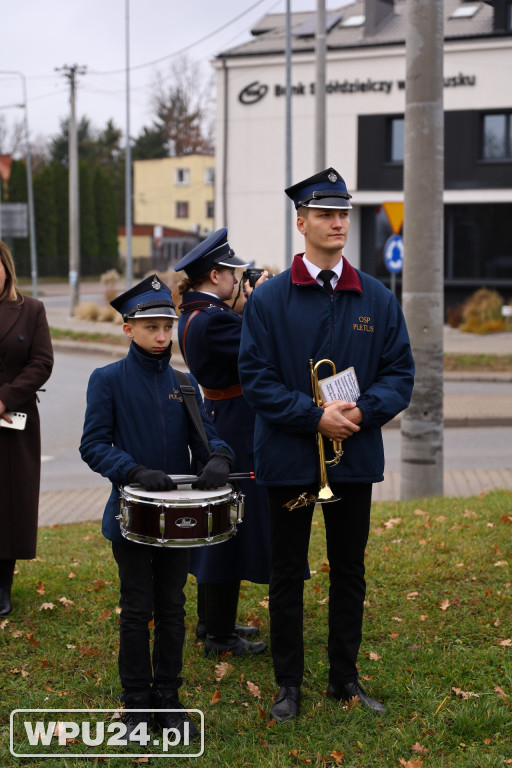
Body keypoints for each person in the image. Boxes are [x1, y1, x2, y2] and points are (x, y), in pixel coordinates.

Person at [238, 167, 415, 722]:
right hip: (290, 457)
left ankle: (344, 679)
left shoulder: (378, 297)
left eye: (344, 213)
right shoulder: (268, 299)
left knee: (350, 569)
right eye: (326, 214)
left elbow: (400, 374)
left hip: (354, 456)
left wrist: (360, 412)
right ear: (302, 222)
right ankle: (288, 684)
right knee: (288, 570)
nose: (339, 222)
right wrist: (316, 418)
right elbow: (256, 379)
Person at [79, 274, 235, 741]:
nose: (162, 336)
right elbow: (93, 445)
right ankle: (136, 706)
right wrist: (132, 470)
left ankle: (168, 699)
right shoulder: (106, 380)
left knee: (172, 605)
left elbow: (211, 437)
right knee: (135, 608)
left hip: (179, 521)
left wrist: (220, 458)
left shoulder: (185, 385)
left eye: (167, 326)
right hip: (132, 516)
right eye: (151, 327)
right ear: (129, 329)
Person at [174, 228, 269, 657]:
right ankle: (220, 636)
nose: (237, 281)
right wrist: (261, 306)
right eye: (233, 274)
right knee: (228, 530)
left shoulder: (196, 314)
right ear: (215, 275)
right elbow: (259, 352)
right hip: (233, 427)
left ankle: (213, 622)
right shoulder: (213, 320)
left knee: (218, 524)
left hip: (222, 419)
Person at [0, 241, 53, 617]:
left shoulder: (31, 309)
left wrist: (4, 398)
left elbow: (41, 362)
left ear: (6, 267)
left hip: (14, 421)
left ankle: (3, 584)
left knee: (10, 505)